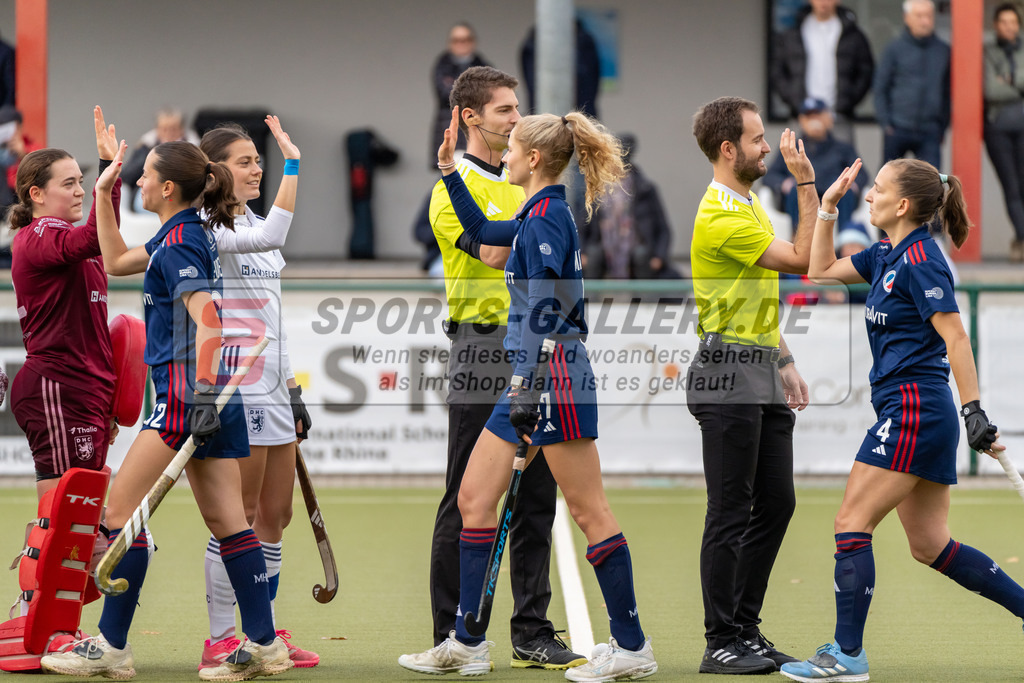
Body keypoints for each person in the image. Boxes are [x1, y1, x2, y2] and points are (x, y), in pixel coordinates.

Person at [401, 106, 658, 682]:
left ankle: (633, 647)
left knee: (590, 511)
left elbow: (545, 301)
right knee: (474, 499)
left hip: (553, 376)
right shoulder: (536, 210)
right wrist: (448, 173)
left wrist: (527, 381)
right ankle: (467, 642)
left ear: (534, 158)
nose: (505, 154)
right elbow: (479, 235)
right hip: (535, 374)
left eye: (512, 146)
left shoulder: (544, 217)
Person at [40, 129, 292, 681]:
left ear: (168, 187)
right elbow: (115, 259)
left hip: (186, 397)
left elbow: (208, 319)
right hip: (209, 396)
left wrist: (199, 396)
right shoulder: (182, 230)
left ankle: (110, 646)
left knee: (118, 516)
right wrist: (106, 188)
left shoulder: (180, 240)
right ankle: (266, 644)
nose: (140, 181)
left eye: (146, 174)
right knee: (230, 522)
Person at [780, 159, 1024, 682]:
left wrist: (974, 408)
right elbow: (819, 270)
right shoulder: (884, 254)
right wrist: (826, 207)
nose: (868, 196)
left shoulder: (921, 260)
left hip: (916, 408)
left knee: (851, 522)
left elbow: (956, 337)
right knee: (931, 545)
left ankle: (847, 657)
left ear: (903, 205)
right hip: (912, 409)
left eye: (877, 189)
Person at [405, 65, 581, 673]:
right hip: (482, 346)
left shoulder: (530, 180)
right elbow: (490, 248)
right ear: (471, 118)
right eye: (505, 110)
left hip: (538, 348)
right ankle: (453, 632)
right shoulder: (453, 190)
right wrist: (538, 207)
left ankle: (531, 629)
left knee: (538, 493)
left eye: (518, 108)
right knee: (468, 493)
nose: (515, 118)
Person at [688, 96, 814, 675]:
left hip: (758, 364)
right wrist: (812, 189)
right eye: (759, 138)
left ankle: (745, 628)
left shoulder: (748, 202)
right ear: (728, 149)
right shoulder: (722, 213)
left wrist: (784, 356)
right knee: (730, 508)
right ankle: (721, 640)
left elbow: (760, 292)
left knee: (777, 503)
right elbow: (801, 259)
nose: (769, 146)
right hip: (726, 370)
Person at [196, 118, 318, 672]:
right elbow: (275, 235)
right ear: (214, 170)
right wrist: (294, 162)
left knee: (277, 513)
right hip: (235, 387)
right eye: (245, 161)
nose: (257, 168)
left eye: (258, 160)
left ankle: (262, 632)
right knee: (238, 514)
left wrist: (293, 388)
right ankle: (224, 636)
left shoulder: (251, 219)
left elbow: (276, 318)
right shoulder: (208, 228)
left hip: (272, 384)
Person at [770, 0, 874, 144]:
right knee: (793, 162)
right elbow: (778, 71)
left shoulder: (853, 35)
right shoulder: (794, 33)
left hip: (838, 116)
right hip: (801, 116)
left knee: (844, 165)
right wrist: (794, 100)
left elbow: (865, 72)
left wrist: (848, 100)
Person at [580, 134, 682, 280]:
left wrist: (659, 257)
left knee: (641, 255)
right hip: (604, 254)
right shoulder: (596, 189)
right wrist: (582, 253)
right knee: (594, 255)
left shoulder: (644, 189)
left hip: (637, 257)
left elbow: (663, 229)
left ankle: (646, 302)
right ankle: (588, 301)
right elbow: (582, 227)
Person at [762, 97, 868, 234]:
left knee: (844, 189)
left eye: (817, 115)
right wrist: (783, 183)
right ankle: (799, 237)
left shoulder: (843, 148)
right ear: (801, 120)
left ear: (829, 119)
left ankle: (843, 240)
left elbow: (862, 175)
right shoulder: (791, 147)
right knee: (796, 188)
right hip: (802, 193)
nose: (813, 121)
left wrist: (852, 184)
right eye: (808, 116)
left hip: (834, 195)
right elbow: (770, 176)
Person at [874, 0, 950, 168]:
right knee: (890, 181)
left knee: (931, 183)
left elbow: (947, 93)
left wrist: (941, 126)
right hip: (897, 127)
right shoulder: (894, 49)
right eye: (919, 16)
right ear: (907, 18)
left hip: (929, 130)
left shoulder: (943, 51)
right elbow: (880, 87)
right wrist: (886, 124)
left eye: (929, 16)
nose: (925, 21)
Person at [983, 2, 1024, 263]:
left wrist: (1008, 79)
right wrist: (1016, 86)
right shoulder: (986, 52)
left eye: (1014, 22)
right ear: (995, 25)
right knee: (1011, 188)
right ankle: (1022, 236)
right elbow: (990, 90)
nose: (1009, 27)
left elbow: (1013, 82)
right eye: (1004, 22)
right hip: (997, 128)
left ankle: (1021, 240)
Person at [429, 22, 490, 167]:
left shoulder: (484, 66)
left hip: (477, 132)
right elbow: (447, 95)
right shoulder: (442, 66)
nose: (461, 44)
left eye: (466, 40)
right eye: (456, 40)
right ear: (450, 43)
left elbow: (488, 96)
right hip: (449, 130)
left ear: (473, 42)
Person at [121, 107, 199, 212]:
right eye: (164, 129)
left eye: (173, 129)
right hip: (145, 200)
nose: (169, 133)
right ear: (157, 129)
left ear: (181, 129)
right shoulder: (146, 146)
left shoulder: (194, 150)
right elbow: (126, 176)